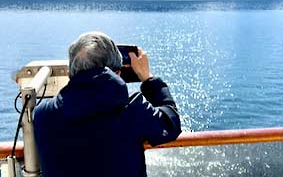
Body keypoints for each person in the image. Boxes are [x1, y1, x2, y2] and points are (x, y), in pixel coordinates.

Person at [33, 31, 181, 177]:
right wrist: (148, 79)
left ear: (69, 74)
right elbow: (171, 123)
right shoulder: (133, 110)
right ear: (118, 73)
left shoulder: (43, 115)